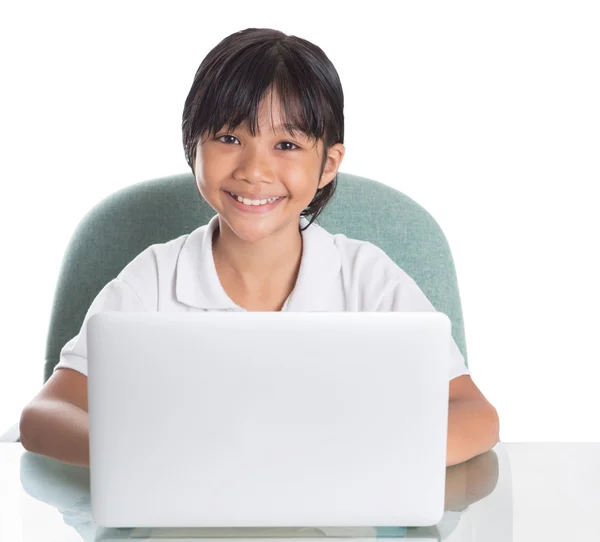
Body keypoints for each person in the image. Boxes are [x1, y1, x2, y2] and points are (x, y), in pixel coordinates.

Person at [19, 28, 499, 469]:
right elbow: (46, 413)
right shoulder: (154, 280)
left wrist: (358, 458)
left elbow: (474, 414)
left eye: (286, 145)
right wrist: (150, 458)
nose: (254, 170)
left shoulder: (365, 279)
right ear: (194, 148)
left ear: (328, 163)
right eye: (229, 138)